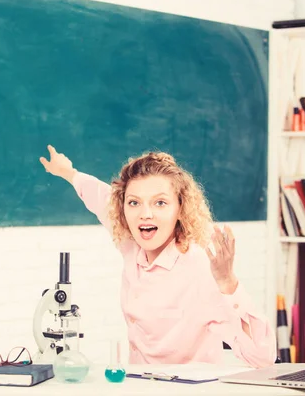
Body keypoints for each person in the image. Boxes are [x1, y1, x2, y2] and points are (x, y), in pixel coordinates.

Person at [39, 145, 276, 368]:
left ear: (180, 209)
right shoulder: (130, 242)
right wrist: (68, 172)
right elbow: (100, 196)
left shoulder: (199, 270)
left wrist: (228, 283)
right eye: (134, 202)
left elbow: (262, 357)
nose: (146, 214)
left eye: (160, 203)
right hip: (137, 386)